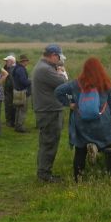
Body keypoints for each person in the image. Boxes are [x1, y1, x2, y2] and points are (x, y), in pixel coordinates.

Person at [54, 57, 111, 181]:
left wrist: (69, 104)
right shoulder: (105, 83)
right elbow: (110, 104)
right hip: (101, 122)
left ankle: (78, 179)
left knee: (80, 150)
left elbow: (58, 91)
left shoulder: (76, 83)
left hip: (82, 122)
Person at [32, 44, 67, 182]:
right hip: (49, 111)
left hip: (47, 110)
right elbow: (63, 83)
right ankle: (44, 174)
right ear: (53, 55)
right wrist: (62, 72)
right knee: (49, 143)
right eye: (59, 57)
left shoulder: (43, 67)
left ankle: (44, 172)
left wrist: (58, 71)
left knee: (47, 142)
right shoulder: (45, 69)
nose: (60, 61)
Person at [10, 55, 31, 132]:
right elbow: (24, 81)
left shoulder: (16, 68)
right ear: (23, 61)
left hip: (17, 91)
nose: (27, 62)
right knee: (22, 110)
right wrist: (31, 81)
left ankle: (17, 125)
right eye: (26, 61)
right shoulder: (21, 69)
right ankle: (20, 127)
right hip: (22, 92)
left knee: (18, 109)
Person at [2, 55, 16, 129]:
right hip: (8, 90)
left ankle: (11, 122)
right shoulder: (7, 68)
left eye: (7, 61)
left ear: (11, 61)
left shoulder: (13, 69)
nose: (6, 62)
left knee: (11, 106)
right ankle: (9, 121)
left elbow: (12, 81)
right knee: (8, 106)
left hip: (11, 90)